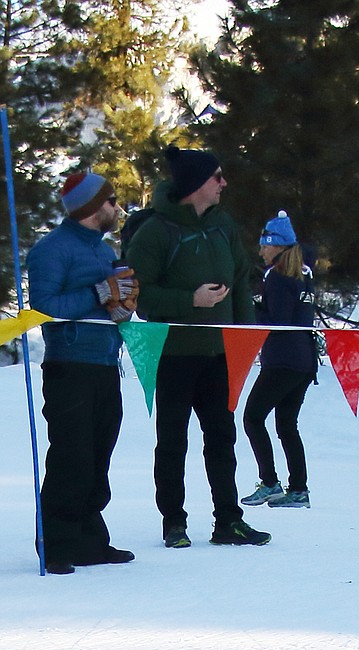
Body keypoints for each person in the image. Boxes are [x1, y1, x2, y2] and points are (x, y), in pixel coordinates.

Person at [126, 144, 270, 548]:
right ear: (194, 185)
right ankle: (173, 522)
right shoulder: (155, 232)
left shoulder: (224, 227)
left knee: (222, 439)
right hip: (172, 355)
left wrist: (245, 334)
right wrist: (190, 300)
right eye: (216, 177)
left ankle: (229, 520)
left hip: (219, 355)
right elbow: (140, 296)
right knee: (172, 441)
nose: (224, 183)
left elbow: (241, 281)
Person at [27, 171, 137, 575]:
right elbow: (44, 308)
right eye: (111, 201)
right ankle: (55, 544)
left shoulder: (104, 250)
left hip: (106, 363)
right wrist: (99, 293)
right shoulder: (51, 250)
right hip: (69, 365)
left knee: (97, 455)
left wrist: (122, 306)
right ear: (93, 207)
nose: (116, 207)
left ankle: (90, 541)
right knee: (71, 457)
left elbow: (111, 301)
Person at [241, 211, 316, 509]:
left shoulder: (278, 275)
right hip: (304, 360)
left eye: (264, 245)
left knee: (253, 417)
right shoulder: (303, 273)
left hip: (283, 360)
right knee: (286, 424)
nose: (260, 251)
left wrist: (252, 307)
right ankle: (298, 488)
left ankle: (270, 481)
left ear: (277, 246)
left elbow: (278, 321)